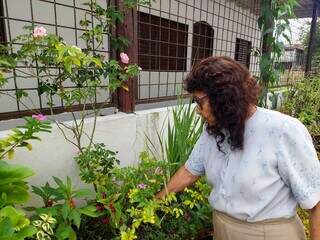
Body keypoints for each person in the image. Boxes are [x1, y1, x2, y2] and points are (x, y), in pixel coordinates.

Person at [155, 56, 320, 240]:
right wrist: (156, 200)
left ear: (222, 97)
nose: (197, 110)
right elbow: (190, 170)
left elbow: (316, 200)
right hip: (222, 229)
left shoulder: (282, 130)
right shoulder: (213, 131)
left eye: (199, 101)